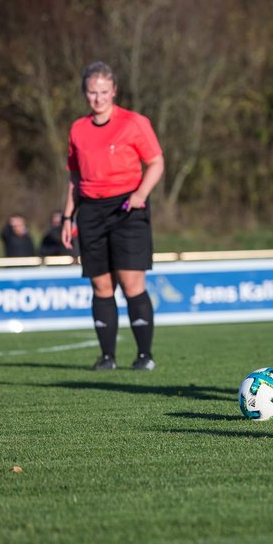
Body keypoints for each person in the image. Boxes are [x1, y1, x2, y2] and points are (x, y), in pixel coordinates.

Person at [61, 62, 165, 371]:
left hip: (128, 209)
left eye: (104, 92)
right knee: (101, 287)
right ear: (85, 93)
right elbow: (74, 177)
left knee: (132, 283)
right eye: (92, 92)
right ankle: (107, 357)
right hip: (91, 211)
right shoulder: (78, 129)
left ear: (114, 91)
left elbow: (156, 162)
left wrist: (140, 195)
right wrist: (68, 217)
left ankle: (144, 356)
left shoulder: (134, 123)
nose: (98, 98)